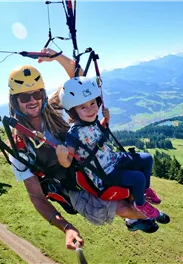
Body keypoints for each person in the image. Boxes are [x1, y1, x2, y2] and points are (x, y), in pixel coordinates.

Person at [7, 49, 159, 251]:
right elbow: (36, 196)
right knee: (122, 207)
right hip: (71, 186)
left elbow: (79, 82)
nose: (32, 100)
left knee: (131, 182)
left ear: (42, 93)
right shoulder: (19, 145)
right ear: (14, 101)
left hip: (91, 166)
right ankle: (139, 217)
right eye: (24, 97)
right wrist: (66, 227)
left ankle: (136, 217)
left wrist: (58, 58)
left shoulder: (50, 108)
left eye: (36, 93)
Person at [55, 76, 161, 219]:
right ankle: (140, 204)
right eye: (82, 107)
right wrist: (62, 157)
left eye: (92, 103)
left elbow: (99, 133)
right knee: (138, 178)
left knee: (147, 159)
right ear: (73, 112)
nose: (90, 109)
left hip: (114, 159)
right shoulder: (73, 135)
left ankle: (144, 190)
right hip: (105, 173)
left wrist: (107, 119)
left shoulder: (92, 122)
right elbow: (68, 161)